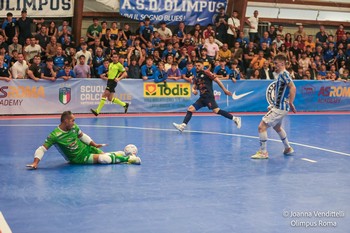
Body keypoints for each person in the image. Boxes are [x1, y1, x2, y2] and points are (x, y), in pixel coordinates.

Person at [26, 111, 141, 169]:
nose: (74, 123)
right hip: (79, 158)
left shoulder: (74, 127)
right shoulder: (55, 135)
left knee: (106, 156)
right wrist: (35, 163)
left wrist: (94, 144)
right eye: (72, 120)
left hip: (88, 148)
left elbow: (82, 136)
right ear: (65, 121)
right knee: (104, 159)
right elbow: (42, 149)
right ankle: (129, 158)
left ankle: (120, 154)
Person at [172, 60, 241, 132]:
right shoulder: (196, 76)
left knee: (216, 111)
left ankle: (235, 118)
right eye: (196, 66)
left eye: (199, 65)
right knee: (190, 109)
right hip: (202, 98)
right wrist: (193, 90)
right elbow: (194, 85)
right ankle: (183, 126)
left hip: (208, 97)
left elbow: (217, 80)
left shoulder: (207, 72)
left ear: (202, 65)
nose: (197, 67)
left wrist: (224, 90)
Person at [251, 54, 296, 159]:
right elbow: (282, 92)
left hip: (280, 108)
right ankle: (288, 148)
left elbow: (293, 88)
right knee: (277, 127)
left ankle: (263, 152)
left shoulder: (284, 74)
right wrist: (273, 105)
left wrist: (291, 102)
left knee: (261, 127)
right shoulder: (283, 74)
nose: (274, 66)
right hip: (279, 107)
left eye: (276, 63)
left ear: (282, 63)